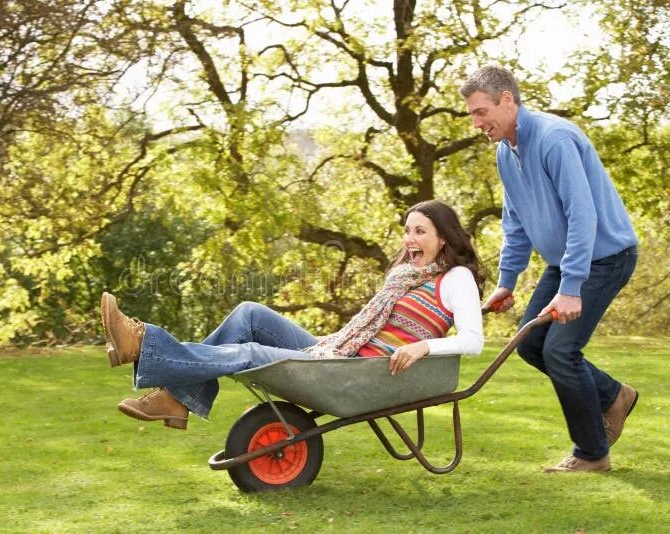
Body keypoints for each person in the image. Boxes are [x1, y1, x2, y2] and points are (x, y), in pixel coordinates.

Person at [100, 200, 485, 430]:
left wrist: (422, 348)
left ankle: (144, 344)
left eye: (420, 231)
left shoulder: (455, 278)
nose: (410, 240)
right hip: (340, 356)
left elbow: (473, 339)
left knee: (250, 351)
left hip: (359, 374)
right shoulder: (407, 275)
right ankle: (177, 397)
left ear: (444, 238)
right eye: (407, 231)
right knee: (249, 314)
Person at [460, 65, 639, 473]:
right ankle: (614, 396)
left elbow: (582, 215)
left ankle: (592, 454)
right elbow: (516, 222)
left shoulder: (554, 139)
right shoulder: (506, 152)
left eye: (481, 111)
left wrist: (572, 286)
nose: (476, 123)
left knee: (561, 350)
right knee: (531, 346)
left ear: (507, 100)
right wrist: (507, 282)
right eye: (472, 114)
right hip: (567, 262)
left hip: (606, 257)